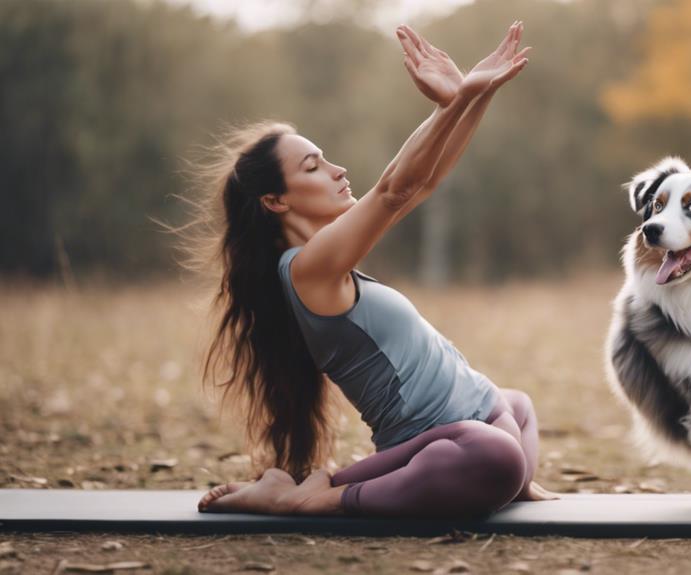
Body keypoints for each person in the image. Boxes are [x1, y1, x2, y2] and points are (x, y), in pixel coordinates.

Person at [192, 22, 555, 518]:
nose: (338, 170)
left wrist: (474, 97)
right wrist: (453, 103)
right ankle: (314, 498)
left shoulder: (330, 259)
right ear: (275, 200)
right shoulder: (304, 270)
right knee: (495, 456)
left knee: (517, 407)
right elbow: (394, 190)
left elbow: (421, 184)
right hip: (444, 444)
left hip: (483, 421)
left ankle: (498, 478)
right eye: (314, 167)